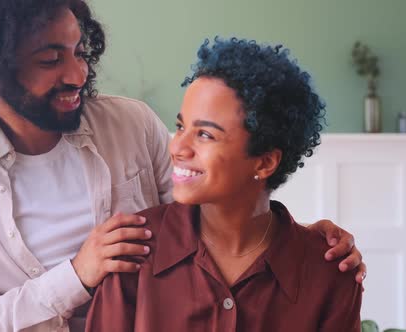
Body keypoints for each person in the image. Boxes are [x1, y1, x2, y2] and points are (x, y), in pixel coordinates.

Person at [0, 1, 365, 331]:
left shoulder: (129, 123)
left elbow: (211, 215)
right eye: (51, 60)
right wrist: (77, 276)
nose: (78, 74)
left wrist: (299, 242)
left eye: (79, 52)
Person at [85, 37, 363, 332]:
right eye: (181, 127)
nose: (178, 147)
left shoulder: (330, 272)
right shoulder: (131, 252)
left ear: (265, 162)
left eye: (204, 134)